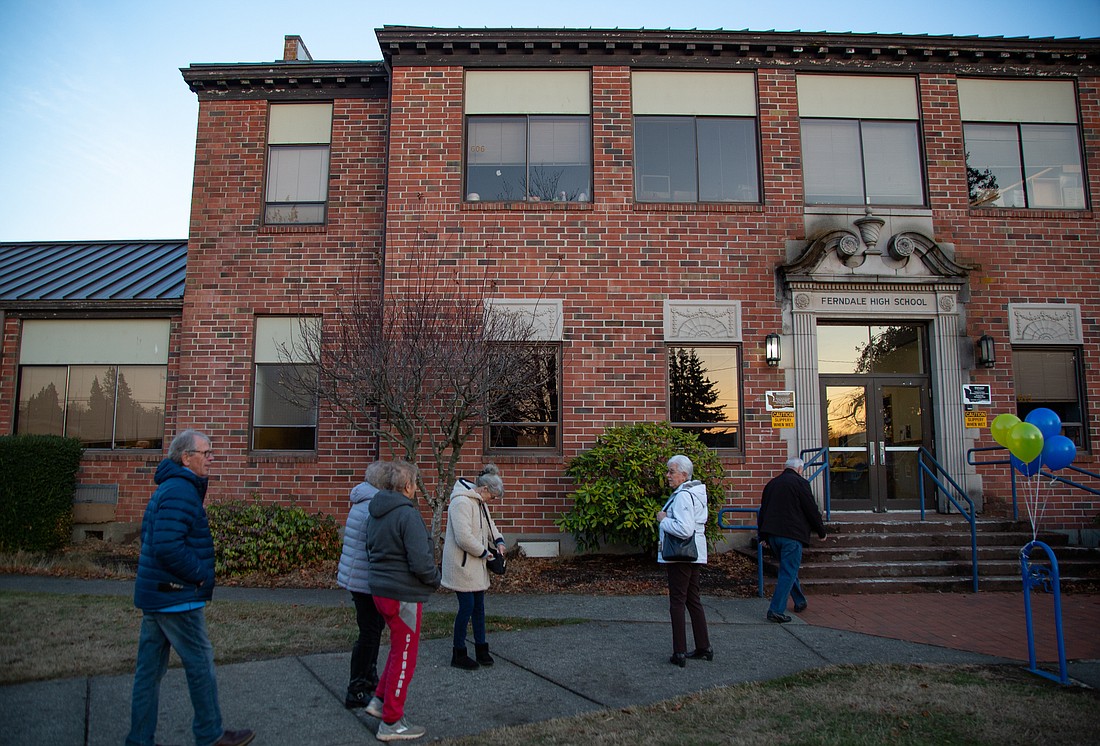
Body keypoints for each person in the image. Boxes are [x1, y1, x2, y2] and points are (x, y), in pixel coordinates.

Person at [126, 429, 254, 746]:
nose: (211, 458)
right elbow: (167, 545)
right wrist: (199, 575)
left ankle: (139, 740)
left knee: (148, 673)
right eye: (206, 452)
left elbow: (149, 536)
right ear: (186, 457)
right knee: (200, 665)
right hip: (175, 596)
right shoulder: (180, 491)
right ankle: (210, 735)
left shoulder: (173, 488)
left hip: (159, 594)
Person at [364, 460, 441, 742]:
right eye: (415, 483)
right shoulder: (407, 515)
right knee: (405, 657)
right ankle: (392, 721)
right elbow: (421, 562)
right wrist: (435, 578)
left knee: (398, 651)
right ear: (408, 486)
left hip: (380, 590)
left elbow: (368, 547)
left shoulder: (376, 512)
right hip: (402, 595)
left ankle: (380, 701)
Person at [336, 460, 392, 708]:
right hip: (364, 581)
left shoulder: (364, 501)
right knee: (369, 633)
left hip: (359, 578)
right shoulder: (373, 506)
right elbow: (376, 547)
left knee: (373, 629)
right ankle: (357, 687)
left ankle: (368, 678)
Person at [441, 464, 507, 670]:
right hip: (462, 565)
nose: (492, 501)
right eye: (493, 497)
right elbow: (463, 538)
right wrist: (485, 553)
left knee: (479, 608)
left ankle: (481, 648)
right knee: (467, 607)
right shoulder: (461, 502)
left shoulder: (479, 501)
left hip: (476, 564)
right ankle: (458, 652)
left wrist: (499, 541)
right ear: (485, 489)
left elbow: (489, 525)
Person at [656, 454, 711, 667]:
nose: (668, 475)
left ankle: (679, 651)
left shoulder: (683, 496)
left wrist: (664, 520)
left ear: (684, 475)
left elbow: (684, 529)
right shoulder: (695, 493)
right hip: (695, 554)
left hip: (681, 555)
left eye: (671, 471)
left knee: (677, 602)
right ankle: (703, 646)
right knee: (692, 599)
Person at [758, 457, 828, 623]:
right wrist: (821, 531)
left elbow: (763, 510)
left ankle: (799, 600)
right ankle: (776, 610)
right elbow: (811, 509)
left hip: (773, 535)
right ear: (799, 469)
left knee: (788, 569)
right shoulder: (800, 484)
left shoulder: (772, 484)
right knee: (788, 571)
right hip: (792, 535)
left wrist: (762, 535)